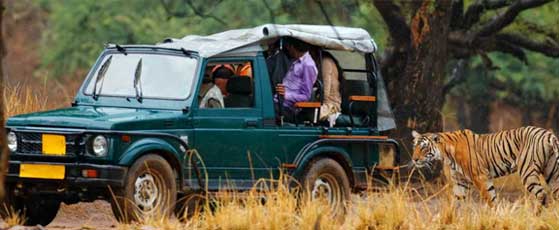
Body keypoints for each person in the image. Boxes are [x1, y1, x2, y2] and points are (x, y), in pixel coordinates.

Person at [275, 37, 318, 120]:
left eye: (288, 46)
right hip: (278, 102)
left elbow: (306, 96)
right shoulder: (297, 61)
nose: (287, 49)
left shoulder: (308, 65)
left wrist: (286, 95)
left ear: (292, 47)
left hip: (287, 108)